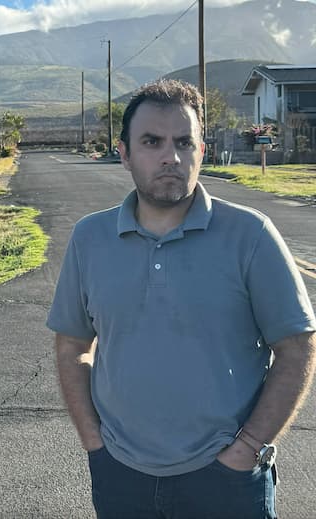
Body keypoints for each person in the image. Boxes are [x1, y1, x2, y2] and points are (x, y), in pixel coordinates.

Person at [46, 79, 316, 518]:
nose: (170, 156)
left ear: (201, 152)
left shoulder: (250, 235)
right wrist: (94, 443)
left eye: (183, 142)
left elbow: (297, 346)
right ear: (125, 153)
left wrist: (246, 450)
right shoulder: (89, 238)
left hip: (227, 481)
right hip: (122, 476)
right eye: (152, 141)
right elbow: (72, 346)